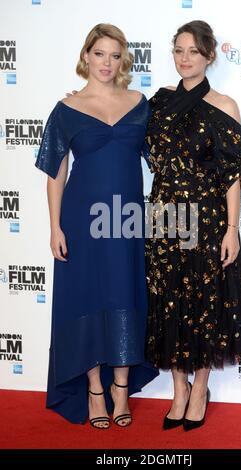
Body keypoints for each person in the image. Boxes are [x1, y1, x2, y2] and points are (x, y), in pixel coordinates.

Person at [35, 23, 158, 429]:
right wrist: (55, 226)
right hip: (81, 220)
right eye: (100, 53)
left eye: (115, 55)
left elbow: (167, 149)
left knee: (125, 292)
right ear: (86, 55)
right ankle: (95, 390)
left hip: (126, 221)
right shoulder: (66, 109)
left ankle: (121, 386)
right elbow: (55, 172)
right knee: (87, 297)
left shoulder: (141, 103)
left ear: (124, 60)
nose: (107, 63)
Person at [144, 20, 241, 431]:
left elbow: (231, 175)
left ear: (209, 55)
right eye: (178, 50)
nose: (184, 58)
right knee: (169, 299)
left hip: (207, 220)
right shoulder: (156, 103)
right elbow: (118, 129)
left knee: (206, 302)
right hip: (163, 217)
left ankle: (201, 384)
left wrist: (232, 229)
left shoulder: (225, 106)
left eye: (193, 51)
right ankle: (179, 390)